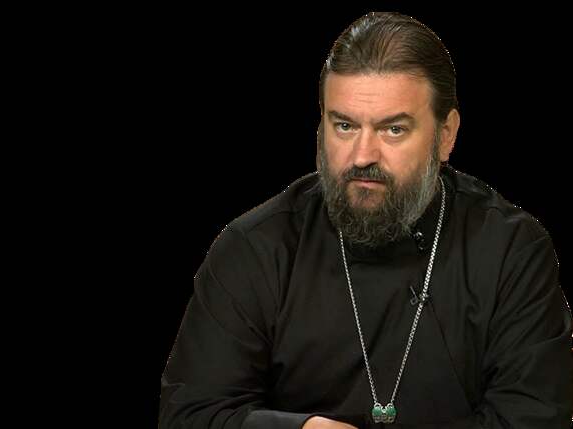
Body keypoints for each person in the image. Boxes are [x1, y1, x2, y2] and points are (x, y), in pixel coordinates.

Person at [159, 11, 573, 428]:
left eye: (393, 130)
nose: (361, 156)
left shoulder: (511, 252)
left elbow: (534, 419)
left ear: (446, 134)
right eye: (344, 126)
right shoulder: (255, 248)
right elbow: (189, 415)